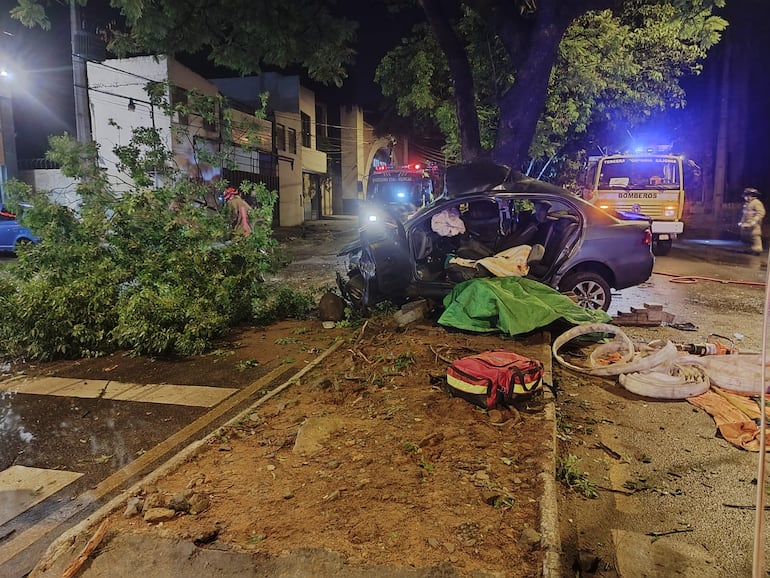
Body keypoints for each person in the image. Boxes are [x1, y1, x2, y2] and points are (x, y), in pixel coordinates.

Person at [739, 187, 765, 255]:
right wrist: (742, 222)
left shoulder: (756, 203)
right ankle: (751, 249)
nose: (745, 197)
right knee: (748, 237)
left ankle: (757, 250)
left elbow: (761, 213)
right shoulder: (748, 204)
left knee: (755, 235)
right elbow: (745, 214)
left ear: (750, 195)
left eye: (746, 196)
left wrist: (754, 221)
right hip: (747, 224)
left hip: (754, 225)